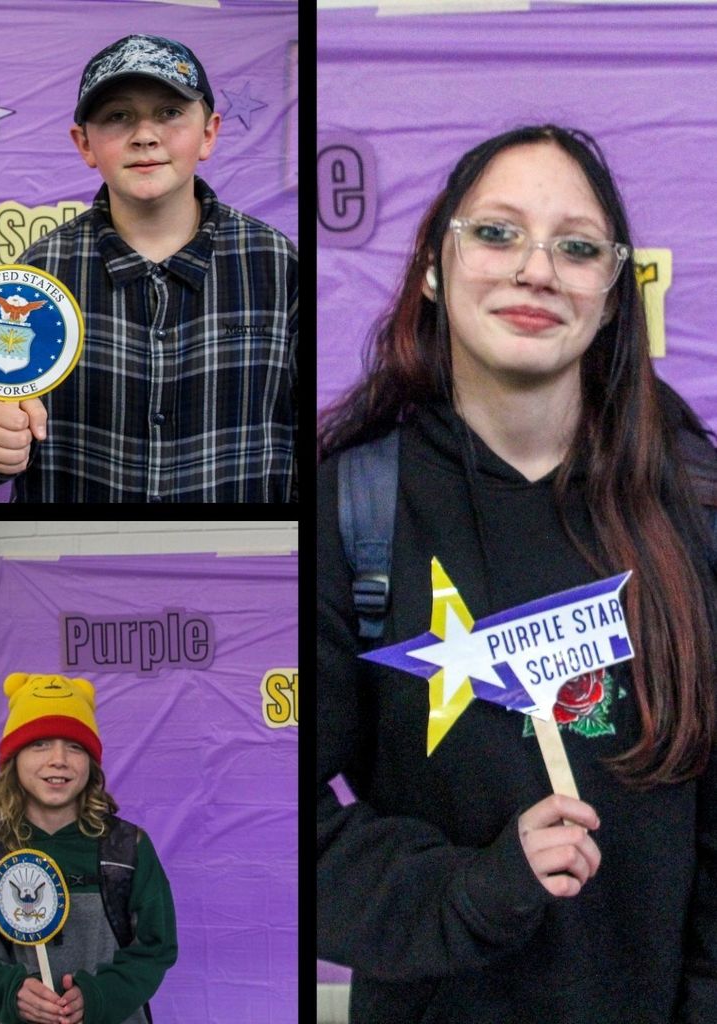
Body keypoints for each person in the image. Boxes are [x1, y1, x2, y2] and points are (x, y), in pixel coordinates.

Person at [317, 125, 717, 1023]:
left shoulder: (693, 507)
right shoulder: (355, 508)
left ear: (613, 295)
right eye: (496, 233)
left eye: (576, 248)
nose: (536, 270)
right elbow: (284, 823)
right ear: (432, 266)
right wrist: (469, 889)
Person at [0, 34, 298, 503]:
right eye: (117, 116)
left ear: (208, 133)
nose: (145, 135)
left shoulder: (277, 265)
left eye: (170, 112)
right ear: (85, 144)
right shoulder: (36, 274)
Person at [0, 672, 177, 1024]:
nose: (59, 759)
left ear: (91, 764)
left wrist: (100, 996)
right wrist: (12, 993)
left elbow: (156, 948)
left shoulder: (129, 850)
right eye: (39, 743)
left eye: (75, 746)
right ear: (13, 760)